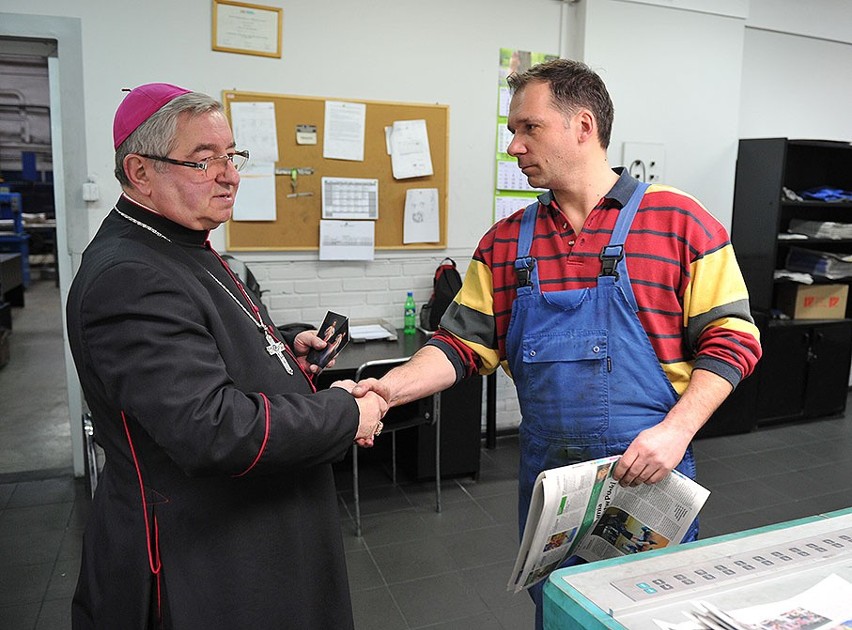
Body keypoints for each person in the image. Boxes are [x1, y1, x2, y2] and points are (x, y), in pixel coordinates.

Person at [353, 59, 761, 627]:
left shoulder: (681, 222)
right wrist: (386, 391)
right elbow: (459, 345)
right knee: (562, 610)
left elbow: (733, 339)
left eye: (529, 128)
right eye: (512, 131)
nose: (514, 146)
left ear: (583, 126)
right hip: (551, 480)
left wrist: (677, 430)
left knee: (649, 613)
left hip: (649, 465)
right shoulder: (503, 242)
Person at [65, 83, 387, 630]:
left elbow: (202, 346)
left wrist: (283, 351)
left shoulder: (177, 240)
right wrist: (345, 412)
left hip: (252, 528)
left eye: (231, 155)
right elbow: (211, 427)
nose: (230, 174)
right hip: (203, 556)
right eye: (202, 160)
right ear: (139, 172)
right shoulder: (130, 275)